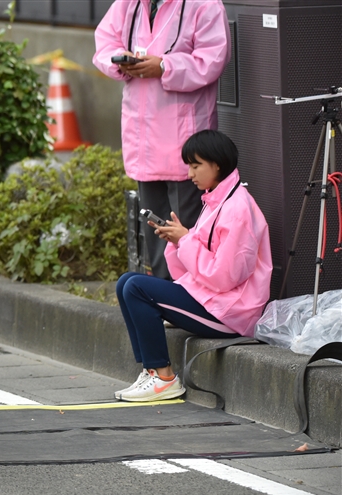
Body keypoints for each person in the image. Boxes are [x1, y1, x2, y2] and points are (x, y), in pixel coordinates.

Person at [114, 130, 272, 402]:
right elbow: (186, 272)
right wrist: (177, 240)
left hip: (230, 313)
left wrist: (185, 240)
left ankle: (163, 378)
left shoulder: (238, 209)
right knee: (125, 281)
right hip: (212, 300)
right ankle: (151, 369)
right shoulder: (216, 199)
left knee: (137, 287)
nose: (189, 174)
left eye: (196, 165)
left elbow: (224, 277)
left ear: (217, 164)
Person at [92, 0, 230, 280]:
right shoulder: (129, 4)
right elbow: (105, 43)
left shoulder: (204, 5)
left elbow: (213, 59)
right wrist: (120, 61)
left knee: (187, 227)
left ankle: (189, 299)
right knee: (155, 228)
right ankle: (163, 297)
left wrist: (165, 67)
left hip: (185, 140)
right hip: (143, 137)